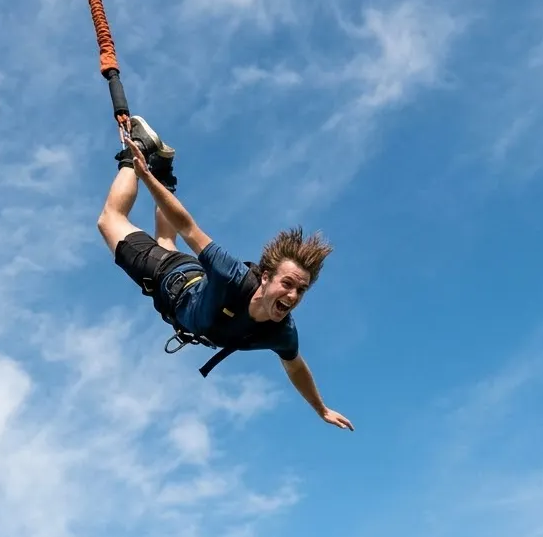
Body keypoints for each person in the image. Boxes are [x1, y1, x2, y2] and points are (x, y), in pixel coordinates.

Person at [96, 115, 353, 431]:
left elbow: (296, 368)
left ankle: (163, 167)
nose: (293, 295)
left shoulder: (281, 331)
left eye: (301, 290)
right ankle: (133, 160)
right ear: (265, 277)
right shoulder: (231, 273)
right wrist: (143, 175)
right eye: (288, 284)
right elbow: (188, 226)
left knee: (166, 240)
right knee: (110, 220)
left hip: (187, 288)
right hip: (165, 275)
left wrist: (320, 408)